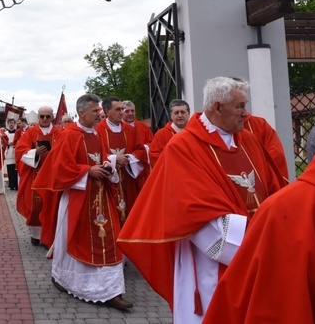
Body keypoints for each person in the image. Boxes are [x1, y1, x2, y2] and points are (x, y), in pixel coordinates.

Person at [117, 77, 285, 324]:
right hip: (213, 255)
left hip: (260, 244)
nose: (245, 113)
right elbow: (191, 212)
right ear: (217, 107)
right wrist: (258, 247)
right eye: (239, 106)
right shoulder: (184, 147)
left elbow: (273, 188)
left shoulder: (249, 141)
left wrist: (279, 231)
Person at [204, 68, 315, 324]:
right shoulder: (288, 216)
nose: (245, 112)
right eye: (240, 105)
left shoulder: (253, 137)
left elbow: (273, 166)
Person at [32, 94, 133, 310]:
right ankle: (64, 279)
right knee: (76, 239)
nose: (100, 114)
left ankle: (111, 290)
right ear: (82, 113)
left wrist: (107, 166)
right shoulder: (70, 135)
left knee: (108, 239)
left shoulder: (96, 134)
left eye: (100, 111)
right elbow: (60, 168)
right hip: (79, 197)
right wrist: (88, 171)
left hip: (100, 196)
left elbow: (101, 157)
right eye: (96, 111)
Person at [15, 106, 61, 247]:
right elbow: (20, 150)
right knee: (34, 207)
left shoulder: (59, 133)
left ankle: (49, 237)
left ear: (52, 117)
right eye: (42, 116)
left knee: (52, 207)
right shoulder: (31, 132)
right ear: (38, 118)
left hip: (53, 176)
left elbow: (66, 150)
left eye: (48, 116)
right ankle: (36, 235)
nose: (45, 119)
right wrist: (35, 152)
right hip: (35, 174)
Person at [95, 96, 146, 222]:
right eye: (118, 109)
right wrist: (114, 159)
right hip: (108, 180)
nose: (122, 112)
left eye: (122, 109)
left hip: (128, 178)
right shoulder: (97, 130)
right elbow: (95, 154)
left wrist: (128, 158)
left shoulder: (130, 129)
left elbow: (140, 150)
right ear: (107, 111)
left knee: (130, 212)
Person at [244, 112, 289, 181]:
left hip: (263, 183)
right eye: (238, 107)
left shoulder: (259, 125)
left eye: (243, 106)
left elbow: (276, 154)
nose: (243, 112)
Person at [148, 99, 191, 168]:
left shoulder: (194, 133)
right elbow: (154, 156)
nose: (180, 115)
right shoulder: (161, 134)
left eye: (183, 112)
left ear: (188, 114)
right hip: (171, 173)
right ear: (171, 115)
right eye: (176, 113)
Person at [4, 117, 19, 190]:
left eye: (12, 123)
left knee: (15, 170)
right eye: (10, 123)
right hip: (9, 151)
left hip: (15, 151)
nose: (11, 124)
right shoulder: (5, 133)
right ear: (8, 124)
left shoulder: (17, 132)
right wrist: (7, 143)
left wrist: (15, 143)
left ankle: (16, 185)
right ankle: (11, 184)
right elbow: (3, 142)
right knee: (10, 169)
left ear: (14, 124)